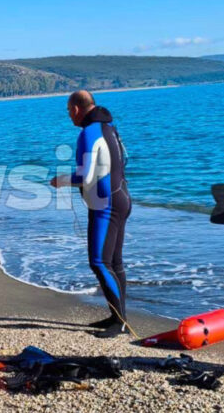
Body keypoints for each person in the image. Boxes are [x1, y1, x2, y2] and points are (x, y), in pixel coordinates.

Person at [50, 91, 132, 338]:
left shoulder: (88, 133)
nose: (69, 115)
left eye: (68, 110)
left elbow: (84, 176)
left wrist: (60, 181)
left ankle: (119, 323)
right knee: (114, 262)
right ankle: (117, 317)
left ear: (76, 108)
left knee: (99, 262)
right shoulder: (109, 128)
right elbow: (124, 160)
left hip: (105, 205)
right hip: (121, 198)